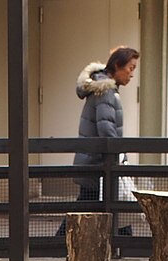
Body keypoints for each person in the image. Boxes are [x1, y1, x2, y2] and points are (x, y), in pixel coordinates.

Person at [59, 46, 139, 237]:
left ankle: (54, 246)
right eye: (131, 68)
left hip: (92, 164)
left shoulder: (103, 89)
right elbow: (106, 129)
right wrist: (119, 156)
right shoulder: (107, 92)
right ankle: (54, 246)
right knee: (109, 208)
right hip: (99, 165)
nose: (132, 74)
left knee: (100, 208)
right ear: (118, 66)